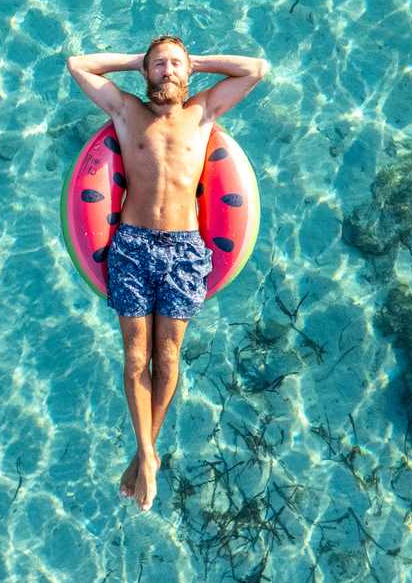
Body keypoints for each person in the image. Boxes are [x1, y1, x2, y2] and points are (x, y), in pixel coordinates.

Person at [66, 36, 270, 513]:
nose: (168, 71)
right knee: (136, 357)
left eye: (176, 64)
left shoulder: (202, 113)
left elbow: (256, 69)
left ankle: (145, 455)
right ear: (145, 73)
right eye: (159, 65)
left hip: (185, 250)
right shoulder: (126, 111)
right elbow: (78, 65)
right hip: (132, 246)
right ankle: (149, 457)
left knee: (167, 355)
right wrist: (135, 60)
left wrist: (195, 62)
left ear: (190, 73)